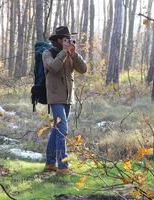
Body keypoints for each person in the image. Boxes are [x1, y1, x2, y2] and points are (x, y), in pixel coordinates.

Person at [42, 26, 87, 175]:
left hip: (68, 98)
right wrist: (63, 53)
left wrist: (73, 54)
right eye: (66, 39)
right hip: (55, 97)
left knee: (57, 130)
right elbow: (53, 68)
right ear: (59, 40)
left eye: (70, 39)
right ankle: (63, 166)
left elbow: (83, 69)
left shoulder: (69, 54)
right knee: (62, 129)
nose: (69, 42)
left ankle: (50, 163)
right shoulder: (47, 53)